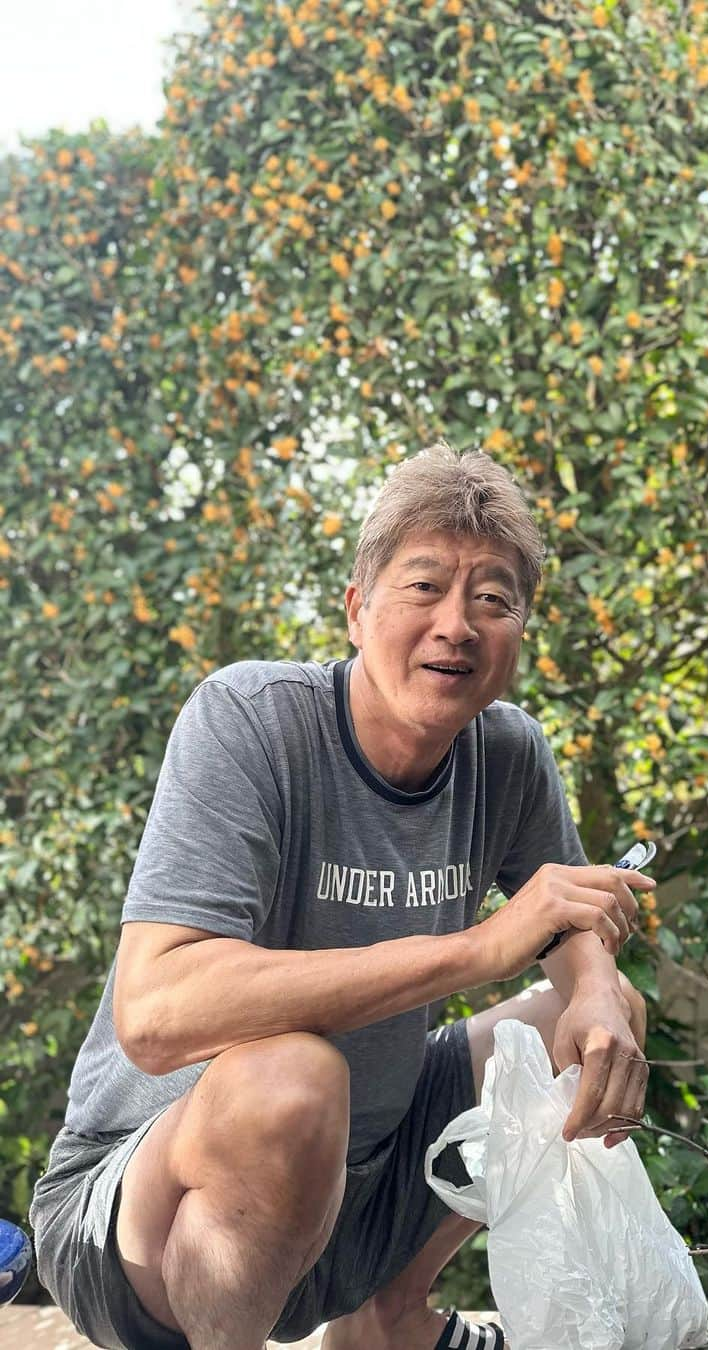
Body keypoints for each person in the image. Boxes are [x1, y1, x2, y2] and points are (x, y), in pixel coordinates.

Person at [29, 441, 655, 1350]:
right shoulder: (252, 720)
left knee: (577, 1019)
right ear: (358, 609)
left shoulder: (507, 755)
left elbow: (567, 931)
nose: (457, 625)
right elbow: (156, 1013)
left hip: (359, 1202)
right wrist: (481, 948)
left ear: (521, 630)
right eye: (424, 587)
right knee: (294, 1080)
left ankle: (385, 1317)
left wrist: (596, 988)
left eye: (493, 600)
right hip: (141, 1231)